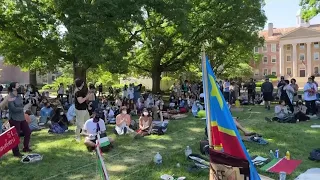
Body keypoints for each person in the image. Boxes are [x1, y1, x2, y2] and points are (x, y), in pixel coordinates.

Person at [7, 82, 32, 157]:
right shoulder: (9, 96)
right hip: (14, 118)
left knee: (27, 132)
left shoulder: (19, 96)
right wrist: (23, 108)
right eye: (18, 86)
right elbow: (13, 109)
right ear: (13, 88)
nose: (20, 87)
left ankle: (26, 147)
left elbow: (21, 105)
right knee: (16, 136)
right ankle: (16, 152)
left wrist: (27, 104)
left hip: (21, 117)